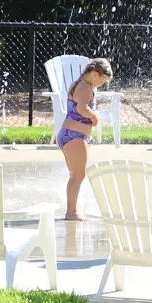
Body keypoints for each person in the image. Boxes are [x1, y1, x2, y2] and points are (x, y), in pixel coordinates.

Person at [58, 58, 114, 220]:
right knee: (78, 175)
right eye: (101, 81)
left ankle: (72, 209)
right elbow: (82, 108)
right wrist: (94, 117)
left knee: (75, 175)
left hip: (69, 134)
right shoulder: (86, 88)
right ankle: (71, 212)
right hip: (74, 136)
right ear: (95, 74)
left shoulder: (78, 84)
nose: (100, 85)